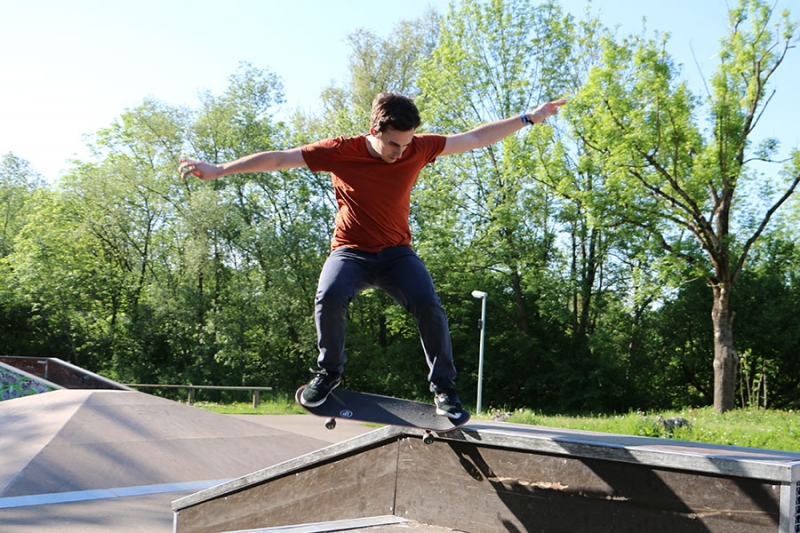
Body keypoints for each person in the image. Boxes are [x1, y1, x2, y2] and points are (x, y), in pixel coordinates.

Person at [180, 93, 566, 418]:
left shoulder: (419, 147)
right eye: (393, 145)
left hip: (397, 254)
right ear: (374, 131)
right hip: (350, 253)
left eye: (407, 144)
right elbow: (280, 158)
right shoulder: (339, 151)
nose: (401, 153)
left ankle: (445, 391)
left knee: (429, 305)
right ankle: (329, 374)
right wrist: (220, 170)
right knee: (329, 297)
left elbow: (475, 137)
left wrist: (528, 118)